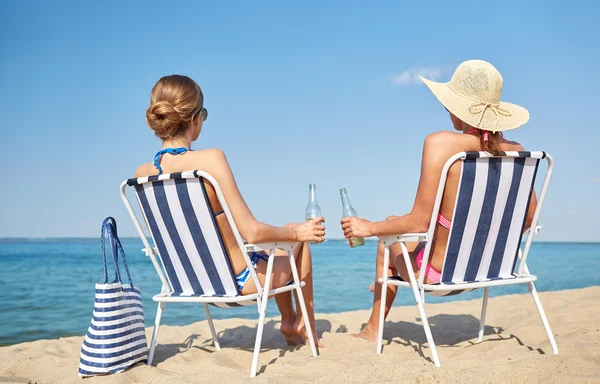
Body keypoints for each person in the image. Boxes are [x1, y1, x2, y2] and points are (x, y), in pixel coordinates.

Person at [341, 60, 537, 342]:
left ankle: (373, 328)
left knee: (386, 241)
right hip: (494, 270)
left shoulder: (442, 144)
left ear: (458, 109)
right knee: (392, 221)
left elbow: (420, 221)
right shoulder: (516, 151)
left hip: (441, 274)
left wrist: (367, 228)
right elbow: (528, 219)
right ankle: (384, 277)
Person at [135, 75, 325, 347]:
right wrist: (298, 231)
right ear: (196, 119)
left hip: (190, 286)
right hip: (238, 284)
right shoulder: (210, 159)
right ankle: (303, 326)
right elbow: (253, 232)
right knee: (298, 242)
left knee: (280, 247)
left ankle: (289, 321)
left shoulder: (143, 173)